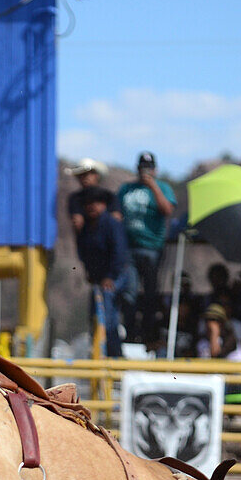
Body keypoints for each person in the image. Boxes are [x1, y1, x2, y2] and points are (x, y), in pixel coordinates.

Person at [117, 152, 176, 342]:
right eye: (143, 168)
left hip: (152, 248)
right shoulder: (126, 189)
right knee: (129, 292)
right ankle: (130, 334)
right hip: (129, 249)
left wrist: (153, 186)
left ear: (155, 170)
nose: (145, 171)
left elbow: (167, 210)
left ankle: (149, 334)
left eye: (149, 168)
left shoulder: (163, 188)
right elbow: (116, 213)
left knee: (151, 293)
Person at [75, 185, 130, 358]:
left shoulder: (111, 224)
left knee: (107, 315)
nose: (92, 206)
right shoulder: (86, 228)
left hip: (115, 276)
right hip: (98, 279)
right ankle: (99, 353)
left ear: (104, 205)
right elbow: (83, 252)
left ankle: (114, 356)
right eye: (88, 203)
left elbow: (119, 252)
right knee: (95, 315)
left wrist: (110, 277)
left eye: (96, 202)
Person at [65, 158, 120, 233]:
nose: (85, 177)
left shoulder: (109, 196)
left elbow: (116, 218)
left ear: (96, 175)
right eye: (81, 175)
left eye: (88, 174)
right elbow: (77, 222)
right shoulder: (75, 198)